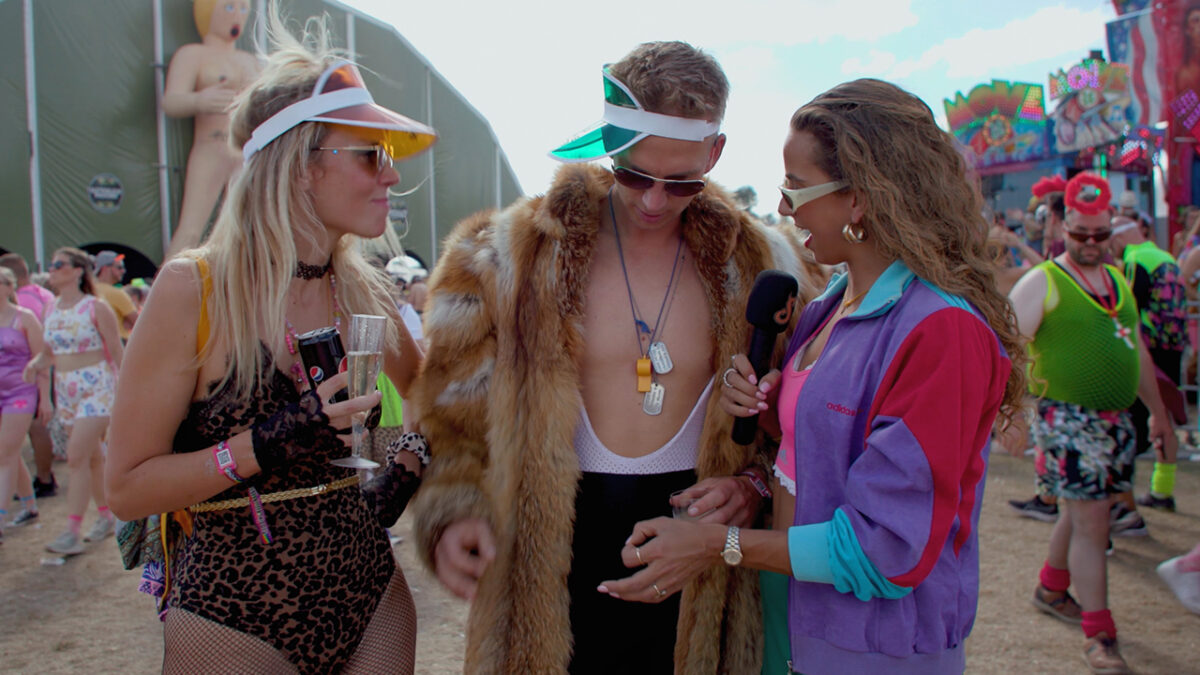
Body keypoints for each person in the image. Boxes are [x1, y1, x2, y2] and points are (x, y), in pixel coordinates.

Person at [410, 41, 807, 673]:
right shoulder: (505, 258)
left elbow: (790, 427)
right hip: (544, 580)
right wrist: (454, 510)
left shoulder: (763, 267)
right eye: (634, 175)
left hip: (701, 574)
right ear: (609, 147)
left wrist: (750, 484)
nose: (653, 201)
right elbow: (451, 416)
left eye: (681, 182)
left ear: (715, 153)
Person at [602, 78, 1021, 675]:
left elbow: (887, 550)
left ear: (860, 200)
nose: (782, 208)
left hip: (871, 647)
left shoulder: (941, 331)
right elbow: (816, 466)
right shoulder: (828, 304)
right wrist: (755, 483)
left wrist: (718, 544)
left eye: (795, 187)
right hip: (790, 619)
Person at [105, 10, 436, 672]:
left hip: (370, 597)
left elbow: (432, 397)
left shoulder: (365, 292)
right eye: (370, 155)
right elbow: (128, 488)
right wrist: (263, 443)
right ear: (299, 164)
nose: (392, 176)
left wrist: (407, 465)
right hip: (234, 613)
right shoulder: (194, 289)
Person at [1009, 172, 1178, 674]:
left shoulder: (1118, 282)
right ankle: (1099, 634)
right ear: (1063, 228)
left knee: (1084, 511)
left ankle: (1052, 587)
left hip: (1115, 423)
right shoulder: (1044, 280)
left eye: (1099, 234)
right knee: (1093, 524)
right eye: (1080, 233)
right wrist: (1010, 412)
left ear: (1112, 230)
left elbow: (1137, 351)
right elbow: (1004, 344)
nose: (1089, 243)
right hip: (1068, 420)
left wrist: (1160, 416)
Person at [23, 247, 124, 556]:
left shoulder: (96, 307)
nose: (52, 269)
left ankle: (71, 531)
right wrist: (35, 364)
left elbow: (117, 352)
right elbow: (49, 353)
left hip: (97, 387)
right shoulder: (49, 309)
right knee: (92, 458)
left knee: (76, 456)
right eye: (52, 265)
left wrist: (127, 393)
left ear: (79, 271)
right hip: (66, 390)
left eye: (59, 264)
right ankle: (106, 517)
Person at [161, 0, 260, 258]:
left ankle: (233, 279)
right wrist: (199, 100)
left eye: (243, 8)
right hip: (211, 147)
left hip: (246, 153)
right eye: (228, 7)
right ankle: (168, 280)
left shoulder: (251, 61)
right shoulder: (192, 54)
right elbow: (170, 101)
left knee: (241, 228)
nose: (237, 15)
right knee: (190, 229)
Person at [1109, 215, 1185, 513]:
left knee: (1131, 425)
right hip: (1173, 349)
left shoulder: (1135, 259)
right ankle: (1162, 489)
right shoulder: (1165, 257)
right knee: (1164, 418)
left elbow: (1128, 310)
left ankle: (1120, 499)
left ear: (1118, 238)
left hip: (1147, 352)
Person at [0, 253, 57, 497]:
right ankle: (31, 502)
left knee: (9, 450)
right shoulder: (39, 297)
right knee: (9, 451)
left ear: (9, 285)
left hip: (23, 390)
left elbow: (42, 356)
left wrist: (45, 397)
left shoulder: (25, 313)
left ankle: (44, 478)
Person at [92, 251, 139, 341]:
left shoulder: (86, 290)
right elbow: (139, 323)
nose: (123, 271)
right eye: (119, 267)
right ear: (105, 268)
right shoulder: (117, 294)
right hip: (118, 342)